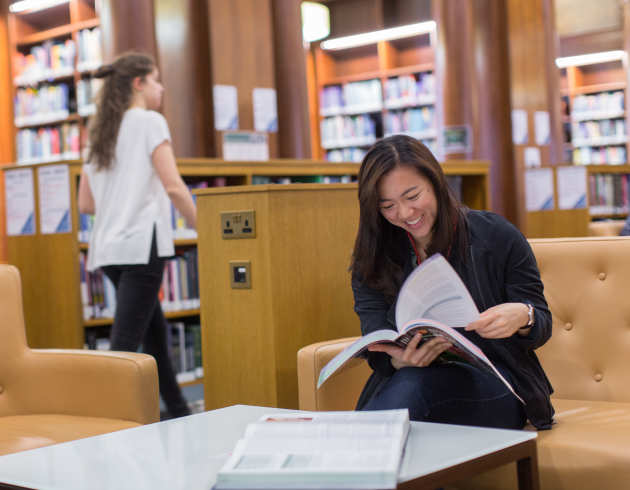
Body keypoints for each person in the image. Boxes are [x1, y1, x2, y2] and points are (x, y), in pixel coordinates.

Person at [351, 135, 554, 430]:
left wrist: (523, 316)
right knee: (412, 385)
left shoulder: (495, 236)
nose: (406, 214)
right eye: (388, 206)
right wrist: (399, 361)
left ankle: (353, 454)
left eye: (412, 196)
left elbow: (542, 321)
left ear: (435, 182)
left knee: (411, 391)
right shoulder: (373, 259)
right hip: (412, 382)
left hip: (500, 385)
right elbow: (376, 344)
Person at [77, 52, 197, 419]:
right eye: (157, 80)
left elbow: (85, 202)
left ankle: (177, 410)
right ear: (138, 83)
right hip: (141, 245)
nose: (161, 88)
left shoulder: (100, 130)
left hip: (108, 249)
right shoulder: (149, 122)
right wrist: (204, 228)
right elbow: (174, 186)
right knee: (125, 345)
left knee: (154, 334)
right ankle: (107, 422)